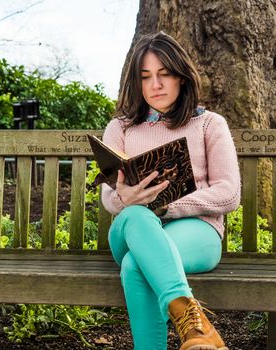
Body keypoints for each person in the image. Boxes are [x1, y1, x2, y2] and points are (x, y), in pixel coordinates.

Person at [100, 31, 240, 350]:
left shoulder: (209, 124)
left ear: (182, 76)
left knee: (137, 265)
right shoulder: (120, 128)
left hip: (196, 232)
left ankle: (187, 330)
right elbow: (108, 196)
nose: (155, 85)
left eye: (164, 75)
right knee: (137, 215)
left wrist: (166, 206)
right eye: (146, 76)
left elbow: (229, 192)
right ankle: (197, 328)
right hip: (130, 228)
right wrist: (126, 199)